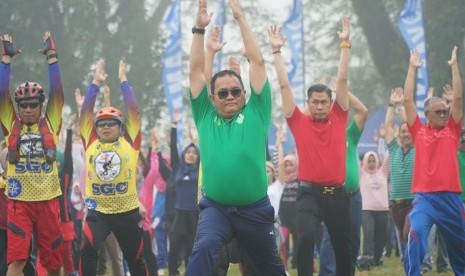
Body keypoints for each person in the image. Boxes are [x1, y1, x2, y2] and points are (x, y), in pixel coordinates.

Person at [186, 0, 286, 274]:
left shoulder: (257, 111)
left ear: (244, 94)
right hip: (216, 209)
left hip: (255, 210)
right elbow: (195, 72)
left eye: (235, 91)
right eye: (223, 93)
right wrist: (198, 30)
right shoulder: (205, 115)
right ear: (212, 98)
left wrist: (240, 17)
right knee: (204, 248)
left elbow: (257, 61)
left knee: (270, 268)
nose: (230, 96)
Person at [269, 18, 352, 275]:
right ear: (308, 102)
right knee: (305, 238)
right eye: (314, 102)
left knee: (344, 248)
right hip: (309, 195)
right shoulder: (298, 121)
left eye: (323, 102)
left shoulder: (339, 116)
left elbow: (343, 80)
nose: (319, 106)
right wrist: (276, 51)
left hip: (338, 194)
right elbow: (283, 86)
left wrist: (345, 44)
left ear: (331, 103)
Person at [0, 32, 63, 276]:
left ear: (40, 106)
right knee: (16, 261)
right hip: (19, 204)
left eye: (33, 104)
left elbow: (57, 92)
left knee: (53, 263)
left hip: (48, 201)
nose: (27, 109)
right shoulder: (10, 123)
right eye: (23, 105)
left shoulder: (51, 122)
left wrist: (51, 56)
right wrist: (5, 61)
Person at [78, 60, 148, 275]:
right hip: (98, 212)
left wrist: (123, 81)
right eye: (102, 124)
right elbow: (85, 114)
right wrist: (95, 84)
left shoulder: (130, 142)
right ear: (96, 128)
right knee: (87, 252)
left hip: (127, 212)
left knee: (135, 260)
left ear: (120, 127)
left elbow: (133, 110)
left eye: (111, 123)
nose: (106, 127)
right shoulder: (90, 141)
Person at [402, 47, 465, 275]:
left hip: (451, 199)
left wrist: (454, 67)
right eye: (437, 112)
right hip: (425, 199)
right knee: (416, 233)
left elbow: (458, 97)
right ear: (426, 114)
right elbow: (407, 99)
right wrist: (412, 68)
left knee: (461, 249)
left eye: (445, 111)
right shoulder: (418, 130)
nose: (443, 115)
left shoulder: (453, 129)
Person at [319, 91, 369, 276]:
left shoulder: (350, 134)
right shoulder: (320, 136)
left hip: (354, 196)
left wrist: (343, 92)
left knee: (354, 239)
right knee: (330, 239)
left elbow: (363, 111)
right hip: (332, 194)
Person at [383, 87, 414, 255]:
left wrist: (402, 106)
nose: (406, 133)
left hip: (413, 202)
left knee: (408, 235)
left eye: (409, 131)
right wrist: (391, 105)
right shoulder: (394, 149)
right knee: (404, 241)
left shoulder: (417, 150)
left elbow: (411, 124)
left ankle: (421, 267)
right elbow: (388, 126)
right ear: (399, 135)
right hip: (396, 204)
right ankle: (413, 268)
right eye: (403, 131)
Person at [358, 151, 389, 270]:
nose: (371, 163)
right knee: (368, 234)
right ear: (364, 162)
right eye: (369, 161)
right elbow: (353, 157)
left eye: (373, 160)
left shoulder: (383, 172)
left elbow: (388, 156)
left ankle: (376, 260)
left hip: (383, 210)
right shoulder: (361, 174)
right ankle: (366, 261)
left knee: (381, 237)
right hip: (367, 210)